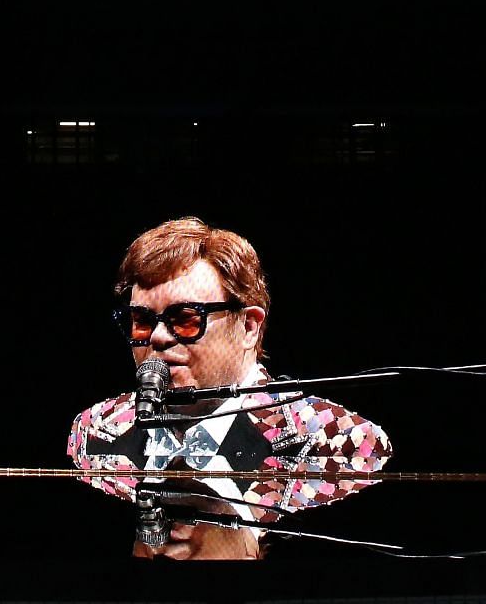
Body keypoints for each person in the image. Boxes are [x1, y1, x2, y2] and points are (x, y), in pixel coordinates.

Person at [66, 217, 391, 560]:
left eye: (186, 318)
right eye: (143, 321)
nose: (159, 338)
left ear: (249, 326)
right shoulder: (94, 434)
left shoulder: (343, 442)